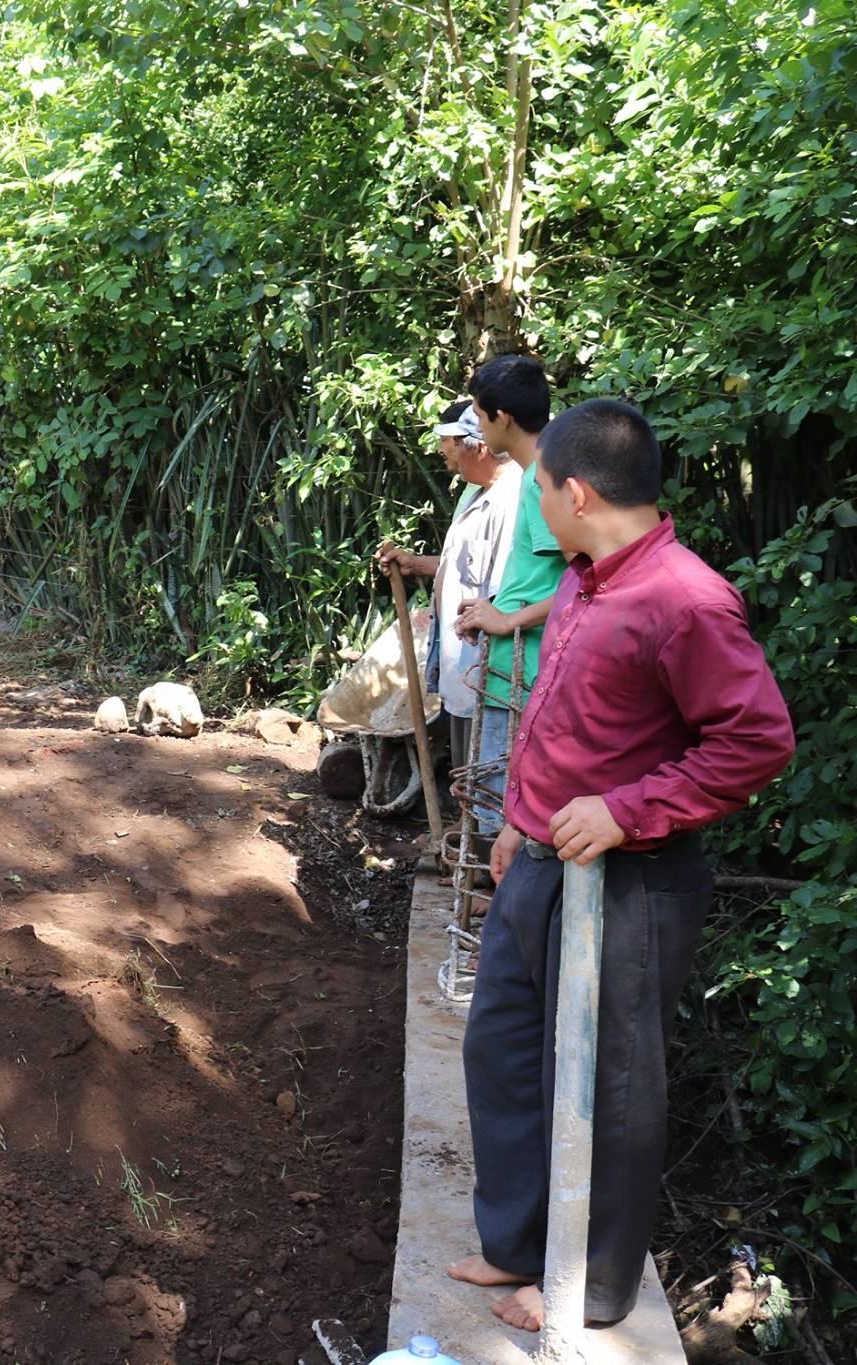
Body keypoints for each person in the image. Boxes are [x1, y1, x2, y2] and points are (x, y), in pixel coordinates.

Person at [447, 398, 794, 1332]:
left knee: (610, 1084)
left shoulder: (684, 600)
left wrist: (627, 811)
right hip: (543, 862)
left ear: (578, 491)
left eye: (541, 497)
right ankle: (518, 1241)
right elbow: (563, 720)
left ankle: (593, 1285)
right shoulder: (584, 580)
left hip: (630, 883)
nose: (535, 514)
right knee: (503, 1049)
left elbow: (756, 741)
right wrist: (521, 815)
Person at [377, 399, 523, 807]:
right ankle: (465, 849)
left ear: (477, 445)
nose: (444, 453)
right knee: (468, 768)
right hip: (465, 663)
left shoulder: (511, 500)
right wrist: (418, 565)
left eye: (449, 443)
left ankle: (481, 859)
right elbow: (466, 565)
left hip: (487, 669)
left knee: (487, 771)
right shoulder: (477, 493)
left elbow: (501, 591)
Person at [451, 354, 559, 832]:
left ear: (503, 418)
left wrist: (509, 620)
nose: (473, 422)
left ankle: (503, 905)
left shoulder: (542, 482)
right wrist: (491, 610)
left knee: (503, 812)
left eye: (476, 411)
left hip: (526, 674)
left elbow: (590, 583)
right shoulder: (541, 475)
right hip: (511, 670)